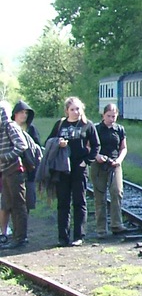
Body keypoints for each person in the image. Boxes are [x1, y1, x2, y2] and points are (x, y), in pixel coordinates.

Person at [47, 96, 99, 247]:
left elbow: (96, 146)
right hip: (63, 168)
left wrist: (87, 161)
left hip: (79, 168)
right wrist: (59, 143)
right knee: (63, 203)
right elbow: (48, 142)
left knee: (79, 202)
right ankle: (63, 237)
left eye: (78, 109)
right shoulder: (60, 125)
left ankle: (79, 236)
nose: (76, 112)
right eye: (72, 109)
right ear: (67, 111)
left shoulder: (87, 125)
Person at [90, 103, 128, 237]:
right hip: (98, 165)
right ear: (103, 115)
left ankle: (116, 224)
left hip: (114, 164)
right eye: (109, 116)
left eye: (114, 116)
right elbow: (88, 146)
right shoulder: (95, 128)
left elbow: (123, 148)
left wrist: (119, 160)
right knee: (99, 196)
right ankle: (101, 228)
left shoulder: (119, 129)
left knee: (117, 192)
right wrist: (97, 156)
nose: (111, 119)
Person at [0, 101, 31, 250]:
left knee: (18, 205)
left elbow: (22, 145)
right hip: (6, 171)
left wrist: (5, 157)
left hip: (14, 170)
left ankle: (21, 238)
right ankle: (16, 238)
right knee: (10, 205)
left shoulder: (9, 126)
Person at [11, 100, 42, 213]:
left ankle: (24, 223)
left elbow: (37, 149)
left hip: (28, 170)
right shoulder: (9, 128)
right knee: (11, 202)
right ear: (15, 114)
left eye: (26, 113)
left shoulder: (31, 129)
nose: (24, 115)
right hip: (11, 168)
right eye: (21, 112)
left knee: (27, 201)